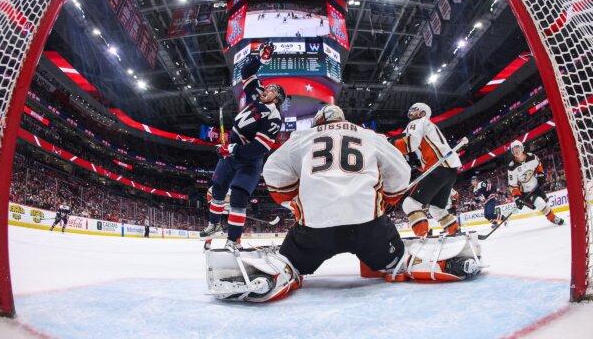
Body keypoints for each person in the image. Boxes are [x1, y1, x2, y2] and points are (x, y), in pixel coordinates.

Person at [204, 105, 482, 302]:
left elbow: (273, 172)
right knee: (397, 261)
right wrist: (386, 199)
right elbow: (400, 172)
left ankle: (277, 274)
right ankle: (431, 262)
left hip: (315, 229)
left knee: (289, 261)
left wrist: (293, 199)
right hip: (369, 227)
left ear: (319, 122)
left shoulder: (304, 137)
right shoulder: (368, 135)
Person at [200, 42, 286, 250]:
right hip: (231, 155)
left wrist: (232, 149)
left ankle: (232, 241)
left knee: (238, 196)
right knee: (218, 188)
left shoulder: (274, 118)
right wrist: (260, 58)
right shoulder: (256, 95)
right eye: (268, 87)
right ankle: (214, 225)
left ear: (278, 98)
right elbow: (246, 72)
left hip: (249, 161)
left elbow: (259, 148)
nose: (267, 88)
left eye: (272, 89)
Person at [393, 103, 461, 236]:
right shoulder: (428, 125)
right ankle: (454, 231)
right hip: (450, 171)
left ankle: (423, 234)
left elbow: (409, 143)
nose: (411, 112)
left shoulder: (418, 121)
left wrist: (390, 143)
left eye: (415, 109)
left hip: (437, 167)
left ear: (422, 113)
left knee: (409, 204)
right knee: (436, 209)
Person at [507, 140, 564, 225]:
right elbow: (512, 185)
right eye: (513, 149)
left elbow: (539, 165)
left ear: (522, 148)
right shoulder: (512, 167)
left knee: (545, 203)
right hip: (525, 192)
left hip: (536, 186)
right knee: (540, 203)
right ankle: (552, 218)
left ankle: (551, 215)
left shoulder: (532, 157)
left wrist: (541, 174)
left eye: (517, 148)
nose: (515, 151)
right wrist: (517, 197)